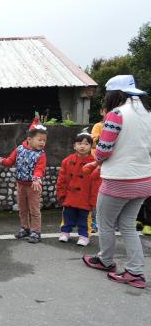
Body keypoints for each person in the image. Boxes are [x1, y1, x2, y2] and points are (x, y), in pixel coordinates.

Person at [83, 75, 151, 289]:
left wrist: (96, 161)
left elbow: (103, 150)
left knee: (105, 222)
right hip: (144, 180)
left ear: (115, 94)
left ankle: (105, 260)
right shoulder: (147, 113)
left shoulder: (117, 114)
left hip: (119, 180)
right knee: (128, 225)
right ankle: (135, 271)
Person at [0, 115, 48, 244]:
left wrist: (36, 178)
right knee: (22, 208)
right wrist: (2, 161)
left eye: (44, 140)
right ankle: (25, 228)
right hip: (21, 184)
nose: (42, 143)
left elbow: (40, 169)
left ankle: (36, 232)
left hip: (34, 185)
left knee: (34, 209)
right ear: (29, 139)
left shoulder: (41, 154)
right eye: (40, 140)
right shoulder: (19, 149)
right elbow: (10, 161)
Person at [55, 129, 101, 247]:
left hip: (85, 196)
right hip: (70, 196)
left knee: (84, 219)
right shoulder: (67, 161)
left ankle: (84, 236)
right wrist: (61, 194)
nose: (82, 146)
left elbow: (97, 183)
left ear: (91, 146)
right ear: (74, 146)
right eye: (80, 143)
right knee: (67, 216)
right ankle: (65, 232)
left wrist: (94, 199)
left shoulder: (95, 163)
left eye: (86, 144)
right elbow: (61, 180)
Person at [89, 107, 107, 233]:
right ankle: (94, 223)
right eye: (107, 110)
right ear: (101, 111)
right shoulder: (98, 126)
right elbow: (93, 140)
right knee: (96, 195)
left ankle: (105, 223)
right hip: (97, 164)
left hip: (109, 165)